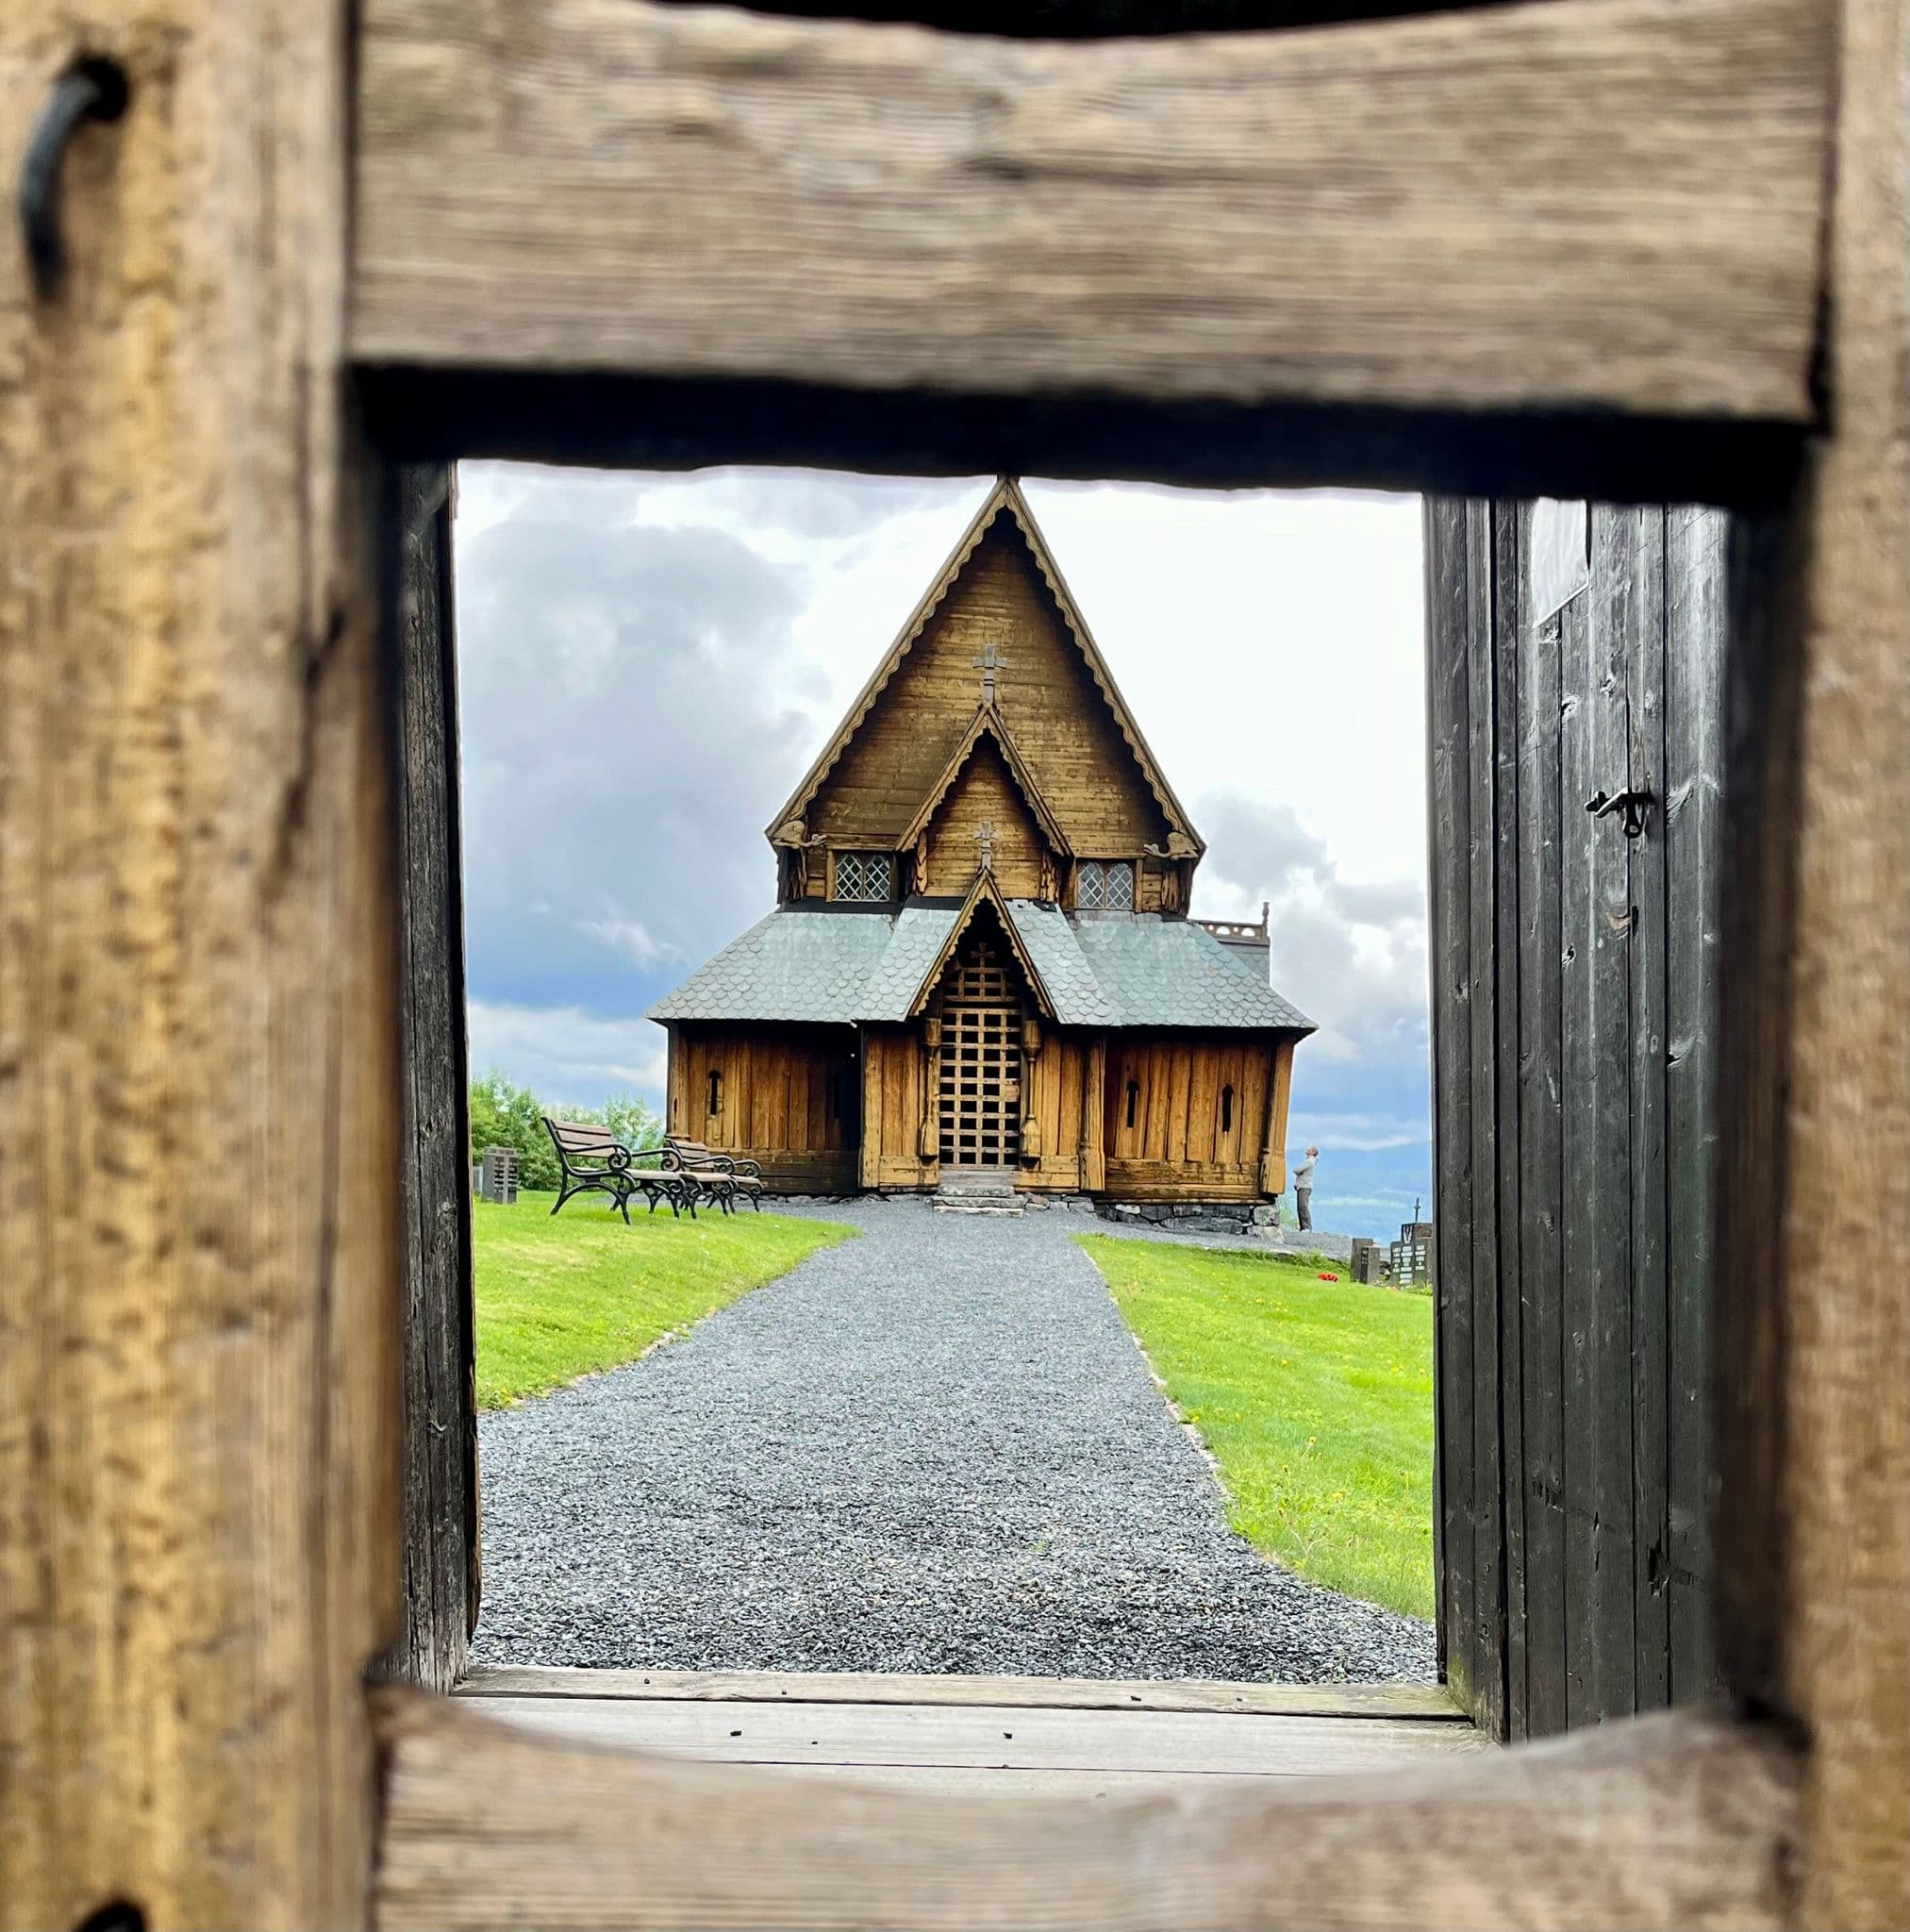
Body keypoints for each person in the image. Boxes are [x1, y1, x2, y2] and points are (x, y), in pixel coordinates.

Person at [1292, 1145, 1320, 1232]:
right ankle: (1303, 1227)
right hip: (1303, 1186)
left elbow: (1297, 1170)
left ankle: (1306, 1227)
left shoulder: (1309, 1161)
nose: (1307, 1149)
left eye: (1309, 1149)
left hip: (1304, 1186)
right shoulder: (1309, 1161)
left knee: (1303, 1206)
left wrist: (1296, 1171)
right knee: (1301, 1207)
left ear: (1312, 1152)